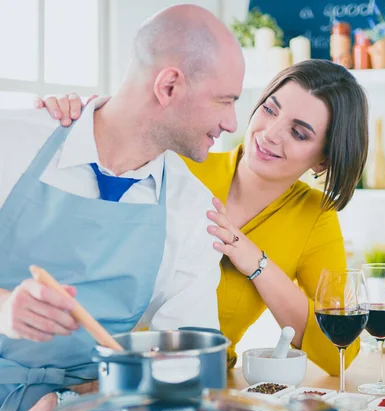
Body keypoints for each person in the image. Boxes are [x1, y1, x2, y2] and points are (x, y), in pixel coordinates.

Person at [44, 59, 368, 374]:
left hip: (204, 382)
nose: (270, 134)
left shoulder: (314, 217)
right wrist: (83, 119)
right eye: (270, 110)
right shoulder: (181, 163)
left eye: (299, 133)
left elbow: (338, 352)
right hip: (103, 367)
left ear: (323, 160)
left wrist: (257, 263)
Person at [0, 5, 244, 411]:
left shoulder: (194, 209)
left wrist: (73, 403)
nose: (232, 122)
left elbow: (189, 361)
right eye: (225, 101)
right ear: (168, 86)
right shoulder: (12, 141)